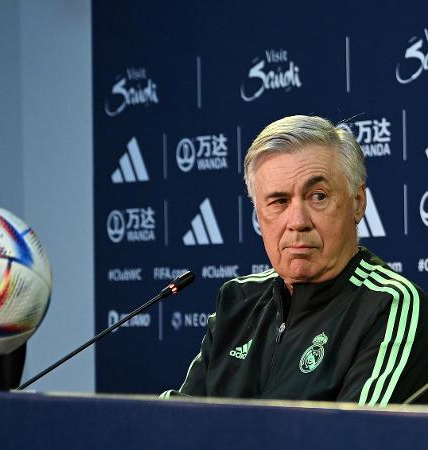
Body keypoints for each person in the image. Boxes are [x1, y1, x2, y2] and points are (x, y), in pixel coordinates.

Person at [161, 115, 428, 406]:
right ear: (258, 215)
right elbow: (178, 427)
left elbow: (355, 439)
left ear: (358, 202)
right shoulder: (238, 300)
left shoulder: (390, 307)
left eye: (318, 196)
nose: (297, 221)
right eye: (279, 201)